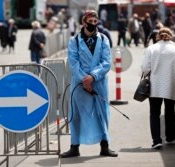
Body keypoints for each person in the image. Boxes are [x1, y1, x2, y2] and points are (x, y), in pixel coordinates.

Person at [61, 10, 118, 158]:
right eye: (90, 21)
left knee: (102, 113)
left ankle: (105, 146)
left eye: (95, 22)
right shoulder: (74, 40)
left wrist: (92, 76)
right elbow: (73, 63)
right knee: (76, 114)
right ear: (84, 22)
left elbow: (106, 62)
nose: (93, 24)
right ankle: (74, 147)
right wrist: (84, 79)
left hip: (98, 81)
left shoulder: (103, 39)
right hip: (79, 83)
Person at [141, 27, 175, 149]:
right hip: (171, 86)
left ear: (158, 36)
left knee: (154, 113)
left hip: (154, 87)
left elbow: (145, 68)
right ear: (170, 36)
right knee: (170, 111)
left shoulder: (151, 49)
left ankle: (156, 140)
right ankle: (170, 137)